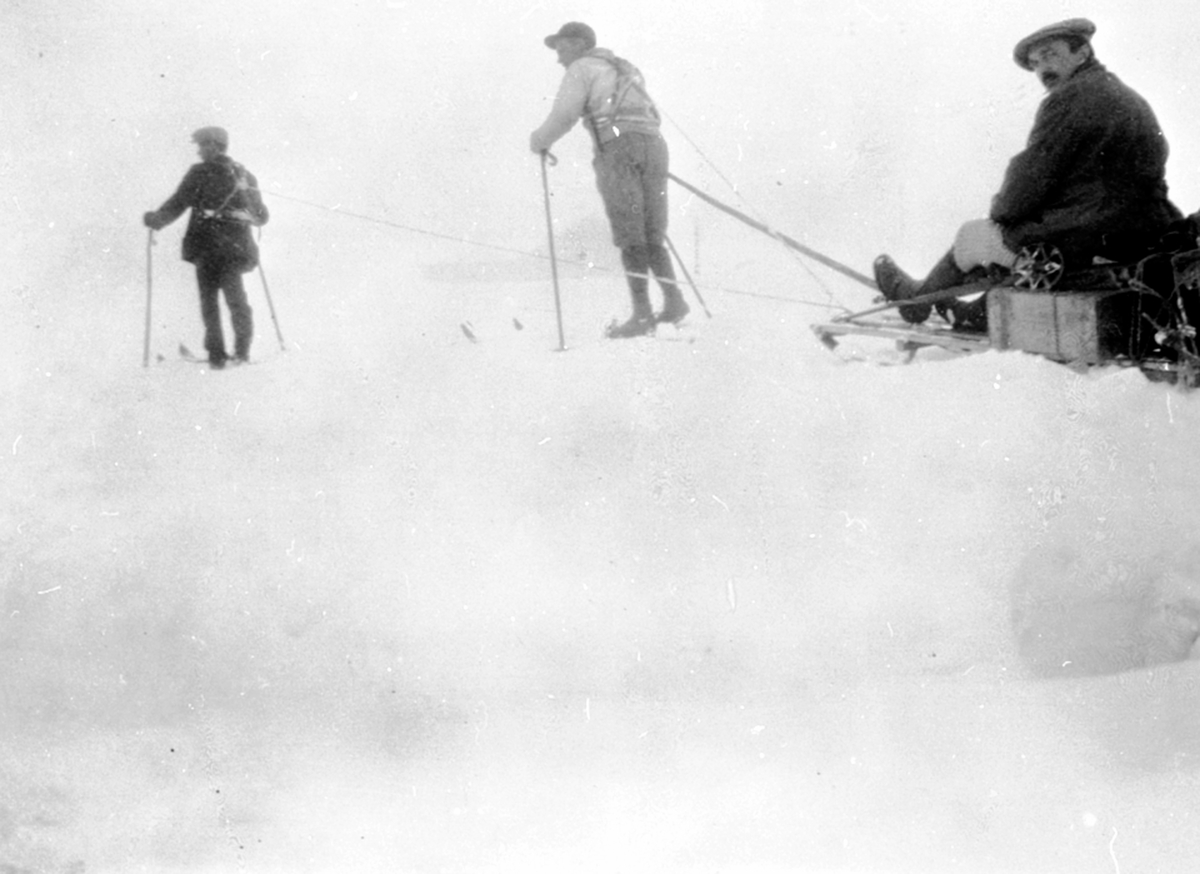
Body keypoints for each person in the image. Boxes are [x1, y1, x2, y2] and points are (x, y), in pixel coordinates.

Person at [875, 19, 1181, 331]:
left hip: (1086, 237)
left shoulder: (1070, 98)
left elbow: (1027, 183)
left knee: (976, 236)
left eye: (1050, 55)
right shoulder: (1128, 97)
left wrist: (1003, 212)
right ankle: (976, 315)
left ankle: (915, 304)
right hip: (1143, 233)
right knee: (1017, 239)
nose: (1042, 70)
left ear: (1083, 53)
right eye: (1035, 63)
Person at [530, 22, 689, 338]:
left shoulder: (581, 68)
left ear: (578, 44)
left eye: (562, 49)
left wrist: (539, 140)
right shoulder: (624, 67)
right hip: (654, 146)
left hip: (617, 148)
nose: (560, 58)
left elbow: (565, 115)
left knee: (630, 234)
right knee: (652, 231)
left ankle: (642, 315)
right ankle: (674, 302)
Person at [144, 127, 269, 367]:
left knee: (213, 303)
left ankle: (221, 356)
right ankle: (236, 353)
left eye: (202, 146)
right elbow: (178, 202)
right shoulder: (237, 174)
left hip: (214, 249)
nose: (199, 151)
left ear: (214, 145)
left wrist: (158, 219)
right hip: (226, 248)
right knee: (232, 301)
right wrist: (158, 219)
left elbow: (260, 216)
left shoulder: (218, 174)